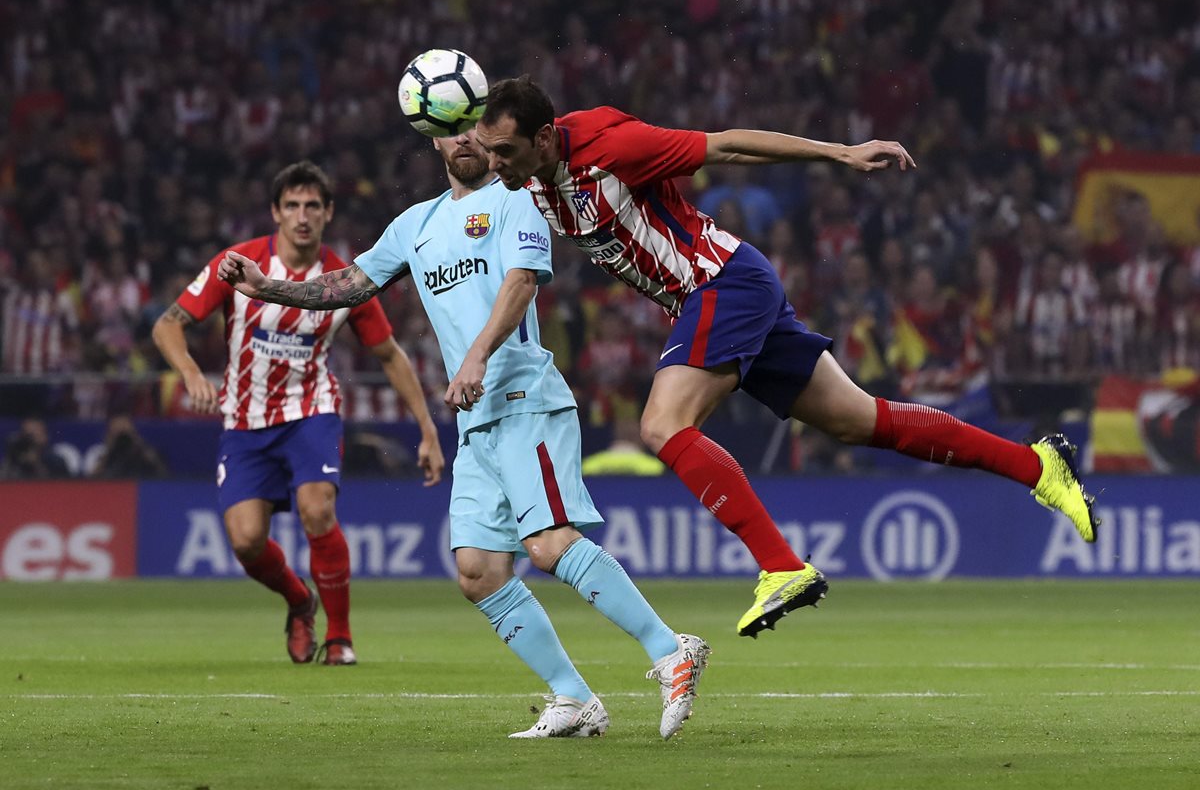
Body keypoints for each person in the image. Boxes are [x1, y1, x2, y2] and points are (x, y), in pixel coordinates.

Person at [473, 76, 1100, 638]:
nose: (498, 164)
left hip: (720, 283)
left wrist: (837, 153)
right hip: (727, 291)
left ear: (548, 138)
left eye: (507, 151)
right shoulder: (530, 174)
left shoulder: (613, 149)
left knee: (662, 425)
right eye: (490, 150)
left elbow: (727, 146)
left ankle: (781, 567)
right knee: (862, 420)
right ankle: (1039, 466)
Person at [217, 129, 709, 740]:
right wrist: (267, 288)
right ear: (434, 143)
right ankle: (573, 697)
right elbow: (347, 284)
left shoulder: (518, 198)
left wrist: (475, 356)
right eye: (451, 132)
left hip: (527, 399)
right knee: (477, 570)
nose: (466, 141)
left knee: (550, 544)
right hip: (475, 420)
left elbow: (523, 281)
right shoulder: (415, 224)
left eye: (476, 128)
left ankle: (671, 651)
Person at [152, 160, 445, 667]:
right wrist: (191, 372)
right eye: (292, 205)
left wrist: (426, 428)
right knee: (245, 541)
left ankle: (341, 637)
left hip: (312, 411)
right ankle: (299, 600)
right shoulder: (236, 263)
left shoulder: (344, 281)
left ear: (328, 212)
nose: (302, 215)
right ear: (275, 212)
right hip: (244, 420)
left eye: (313, 205)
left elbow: (390, 355)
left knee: (317, 510)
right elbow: (168, 325)